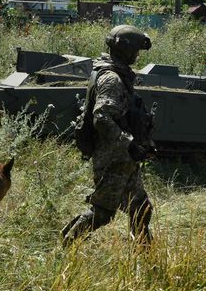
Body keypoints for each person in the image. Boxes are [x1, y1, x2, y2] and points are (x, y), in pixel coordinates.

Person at [62, 25, 155, 246]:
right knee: (102, 213)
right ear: (127, 51)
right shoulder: (111, 79)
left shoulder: (114, 73)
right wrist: (129, 143)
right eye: (136, 51)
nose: (137, 56)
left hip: (124, 158)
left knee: (141, 208)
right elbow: (101, 118)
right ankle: (67, 245)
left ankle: (145, 254)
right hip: (113, 158)